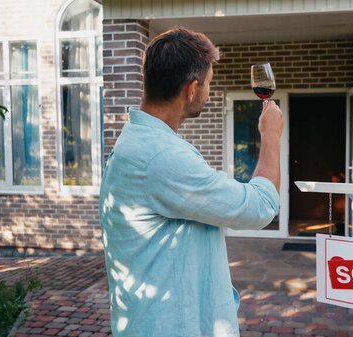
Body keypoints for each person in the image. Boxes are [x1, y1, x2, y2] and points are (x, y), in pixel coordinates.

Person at [99, 27, 283, 336]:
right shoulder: (160, 157)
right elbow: (261, 206)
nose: (209, 93)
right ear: (192, 89)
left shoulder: (141, 142)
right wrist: (271, 136)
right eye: (209, 84)